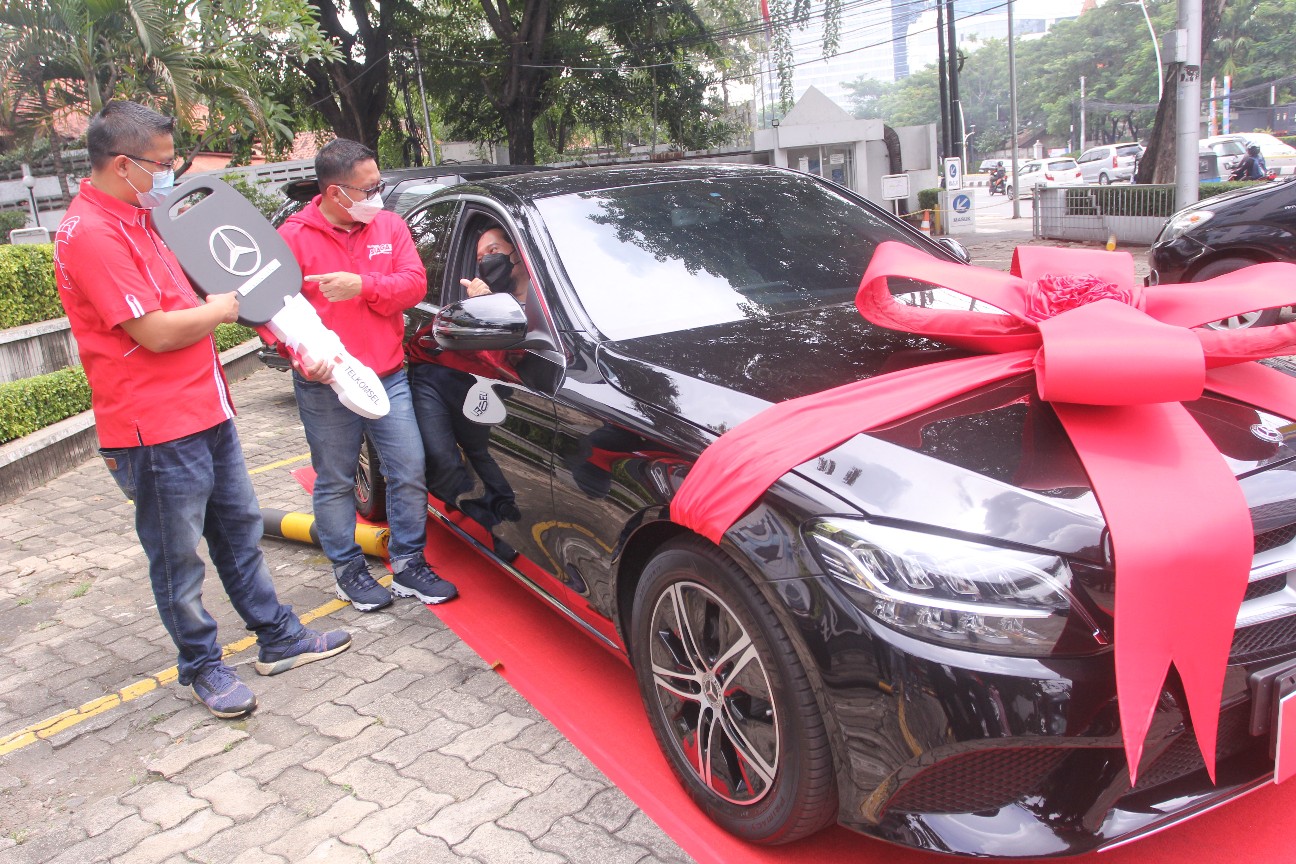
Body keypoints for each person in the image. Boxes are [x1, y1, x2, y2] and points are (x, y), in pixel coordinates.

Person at [53, 101, 352, 719]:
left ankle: (279, 636)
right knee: (178, 556)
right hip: (153, 428)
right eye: (159, 166)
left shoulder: (144, 217)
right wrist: (222, 309)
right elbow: (157, 331)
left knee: (239, 532)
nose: (166, 176)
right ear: (122, 164)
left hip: (205, 410)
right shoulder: (92, 234)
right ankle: (203, 666)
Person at [277, 139, 458, 610]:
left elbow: (413, 284)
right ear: (337, 194)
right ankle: (349, 571)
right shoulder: (294, 237)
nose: (378, 195)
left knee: (409, 468)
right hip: (326, 384)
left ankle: (409, 566)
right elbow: (269, 312)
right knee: (336, 479)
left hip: (387, 375)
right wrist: (297, 355)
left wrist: (364, 286)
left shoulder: (389, 226)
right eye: (370, 188)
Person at [407, 227, 525, 561]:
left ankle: (501, 522)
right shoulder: (478, 297)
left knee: (481, 452)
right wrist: (480, 305)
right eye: (480, 258)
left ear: (516, 252)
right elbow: (492, 356)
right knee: (442, 460)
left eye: (493, 250)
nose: (488, 260)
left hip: (481, 383)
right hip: (435, 372)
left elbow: (503, 364)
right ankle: (474, 508)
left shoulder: (541, 294)